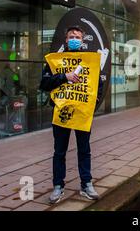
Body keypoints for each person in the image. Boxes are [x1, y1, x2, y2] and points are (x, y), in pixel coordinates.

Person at [40, 26, 102, 204]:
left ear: (82, 41)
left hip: (82, 112)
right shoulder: (55, 61)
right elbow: (44, 83)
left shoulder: (89, 61)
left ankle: (86, 184)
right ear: (66, 40)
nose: (74, 39)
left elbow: (98, 83)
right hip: (62, 113)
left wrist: (94, 99)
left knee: (84, 150)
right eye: (71, 36)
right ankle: (58, 186)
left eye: (78, 37)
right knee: (59, 151)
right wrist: (64, 76)